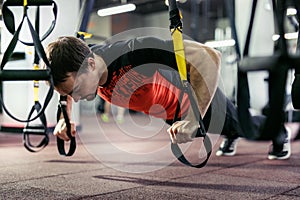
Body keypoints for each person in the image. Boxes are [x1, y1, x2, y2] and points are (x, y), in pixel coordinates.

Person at [47, 36, 291, 160]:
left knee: (243, 126)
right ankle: (231, 133)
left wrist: (194, 118)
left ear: (91, 65)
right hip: (171, 114)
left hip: (196, 103)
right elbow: (67, 87)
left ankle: (280, 132)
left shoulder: (134, 52)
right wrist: (64, 117)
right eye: (70, 94)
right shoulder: (81, 58)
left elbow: (210, 56)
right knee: (226, 128)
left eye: (76, 89)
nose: (75, 98)